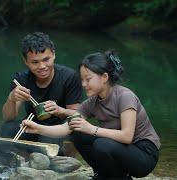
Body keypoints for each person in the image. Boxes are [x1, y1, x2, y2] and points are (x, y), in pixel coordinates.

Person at [22, 50, 160, 179]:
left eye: (88, 79)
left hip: (144, 155)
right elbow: (65, 128)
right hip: (119, 149)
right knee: (77, 131)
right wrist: (37, 127)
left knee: (102, 144)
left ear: (104, 77)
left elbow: (127, 136)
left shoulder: (125, 96)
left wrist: (91, 129)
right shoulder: (92, 102)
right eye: (82, 80)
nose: (83, 84)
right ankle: (106, 174)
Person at [0, 32, 82, 154]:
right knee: (6, 129)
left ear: (53, 54)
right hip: (32, 128)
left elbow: (77, 115)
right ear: (26, 61)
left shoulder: (69, 77)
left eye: (46, 59)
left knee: (76, 130)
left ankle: (47, 153)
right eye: (35, 62)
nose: (42, 66)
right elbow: (8, 117)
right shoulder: (21, 79)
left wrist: (60, 110)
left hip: (58, 130)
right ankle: (30, 154)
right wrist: (11, 98)